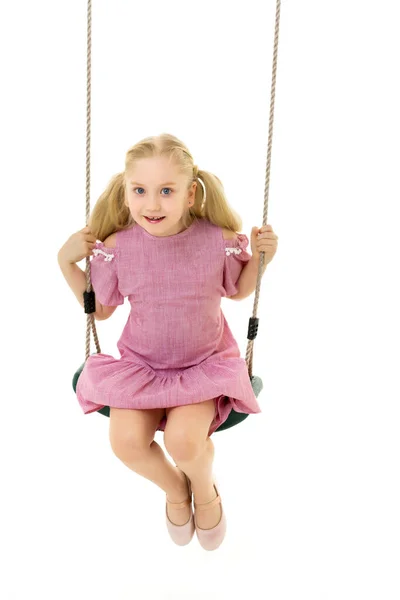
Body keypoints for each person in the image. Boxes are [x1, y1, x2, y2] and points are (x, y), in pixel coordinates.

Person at [57, 133, 278, 551]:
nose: (152, 204)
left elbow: (238, 290)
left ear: (191, 193)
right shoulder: (120, 248)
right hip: (142, 366)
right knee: (124, 443)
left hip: (202, 366)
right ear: (125, 192)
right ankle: (177, 489)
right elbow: (100, 311)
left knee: (183, 441)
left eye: (166, 191)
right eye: (139, 191)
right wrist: (66, 261)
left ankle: (205, 490)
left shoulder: (216, 239)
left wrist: (263, 260)